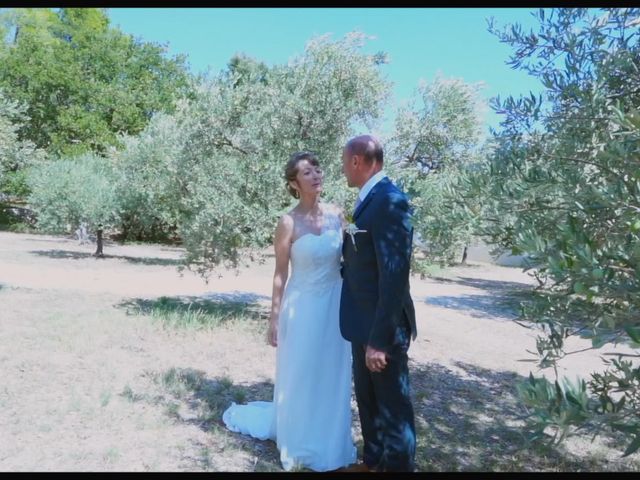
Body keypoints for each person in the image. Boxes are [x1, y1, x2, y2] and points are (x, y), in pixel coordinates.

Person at [222, 151, 357, 472]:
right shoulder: (287, 222)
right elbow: (280, 273)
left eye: (318, 169)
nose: (316, 175)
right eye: (307, 173)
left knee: (333, 373)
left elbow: (352, 259)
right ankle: (298, 438)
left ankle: (329, 438)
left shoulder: (339, 214)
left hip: (335, 307)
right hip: (302, 307)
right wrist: (273, 317)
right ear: (294, 184)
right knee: (302, 371)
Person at [339, 134, 417, 472]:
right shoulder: (370, 199)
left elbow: (394, 275)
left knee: (392, 408)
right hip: (361, 322)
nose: (343, 170)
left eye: (344, 163)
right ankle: (373, 462)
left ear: (357, 161)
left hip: (380, 328)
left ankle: (398, 468)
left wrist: (380, 340)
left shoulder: (390, 201)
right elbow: (367, 262)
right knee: (369, 401)